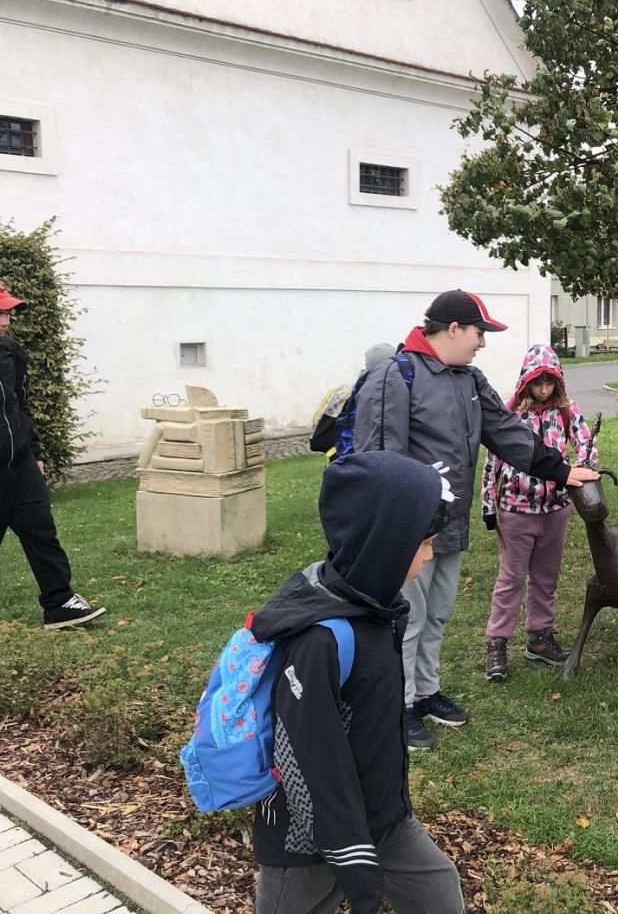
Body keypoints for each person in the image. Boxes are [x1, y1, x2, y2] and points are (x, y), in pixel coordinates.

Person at [353, 290, 598, 749]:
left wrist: (561, 471)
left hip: (448, 526)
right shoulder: (395, 377)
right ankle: (397, 707)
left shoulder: (469, 379)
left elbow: (507, 433)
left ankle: (425, 692)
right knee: (407, 618)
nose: (482, 343)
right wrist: (399, 531)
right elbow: (381, 464)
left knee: (437, 614)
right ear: (453, 329)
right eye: (478, 332)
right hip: (406, 532)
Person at [250, 450, 465, 914]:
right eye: (424, 543)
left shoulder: (380, 611)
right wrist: (352, 857)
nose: (430, 555)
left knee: (438, 890)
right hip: (308, 842)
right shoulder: (322, 641)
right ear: (386, 546)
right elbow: (309, 761)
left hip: (383, 819)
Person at [0, 279, 104, 632]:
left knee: (42, 533)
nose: (5, 322)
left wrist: (35, 451)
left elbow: (19, 404)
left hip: (21, 464)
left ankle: (59, 604)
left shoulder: (10, 350)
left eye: (8, 314)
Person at [478, 344, 598, 682]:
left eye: (549, 383)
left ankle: (540, 637)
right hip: (517, 511)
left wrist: (584, 462)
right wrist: (488, 504)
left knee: (546, 578)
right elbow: (492, 463)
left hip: (556, 510)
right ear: (526, 381)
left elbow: (586, 444)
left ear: (557, 382)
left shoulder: (567, 411)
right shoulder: (510, 415)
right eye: (537, 383)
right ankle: (497, 643)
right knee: (510, 579)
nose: (543, 390)